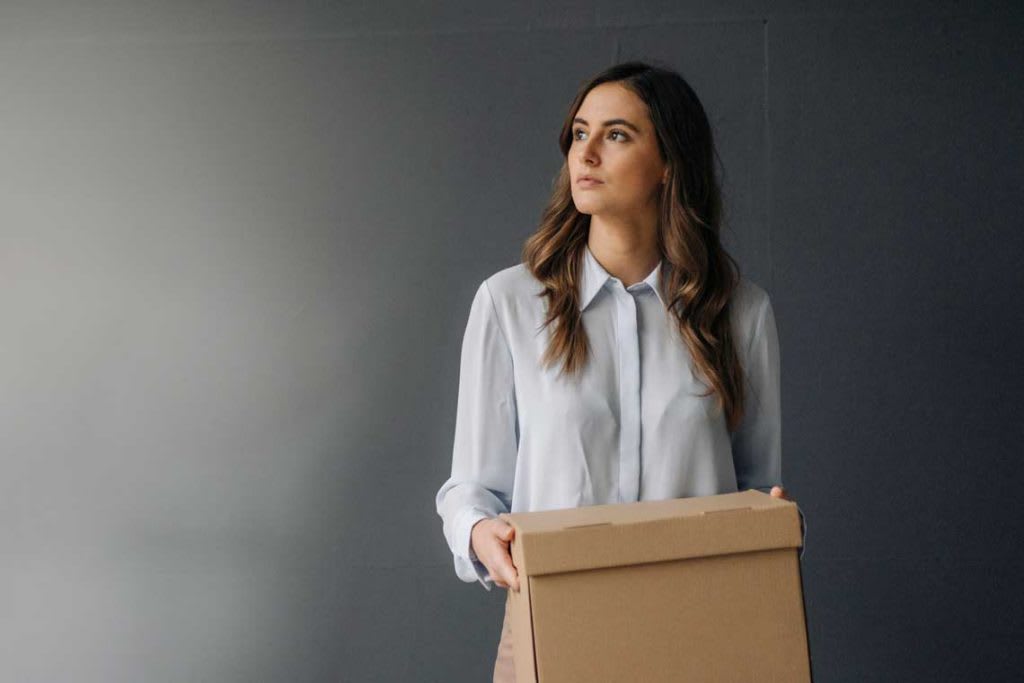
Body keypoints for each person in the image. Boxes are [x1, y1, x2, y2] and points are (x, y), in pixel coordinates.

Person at [434, 60, 807, 683]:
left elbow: (757, 485)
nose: (587, 154)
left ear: (669, 164)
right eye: (580, 134)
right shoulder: (509, 303)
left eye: (617, 135)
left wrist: (767, 521)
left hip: (705, 634)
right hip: (554, 626)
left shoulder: (739, 313)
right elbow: (469, 489)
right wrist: (479, 534)